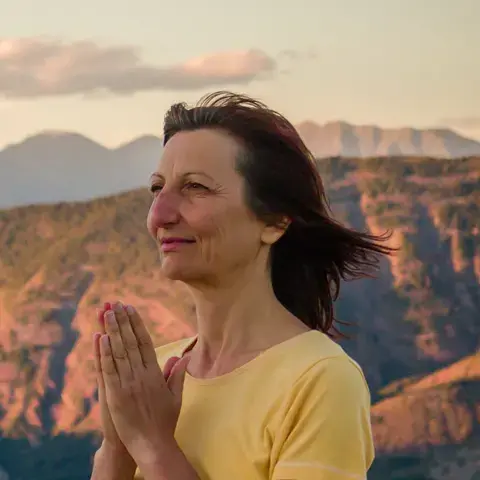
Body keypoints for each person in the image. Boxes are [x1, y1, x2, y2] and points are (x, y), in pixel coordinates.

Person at [90, 91, 394, 480]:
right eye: (156, 189)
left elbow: (153, 444)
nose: (160, 215)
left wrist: (153, 446)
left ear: (274, 222)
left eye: (195, 187)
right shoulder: (154, 378)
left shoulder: (318, 381)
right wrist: (118, 447)